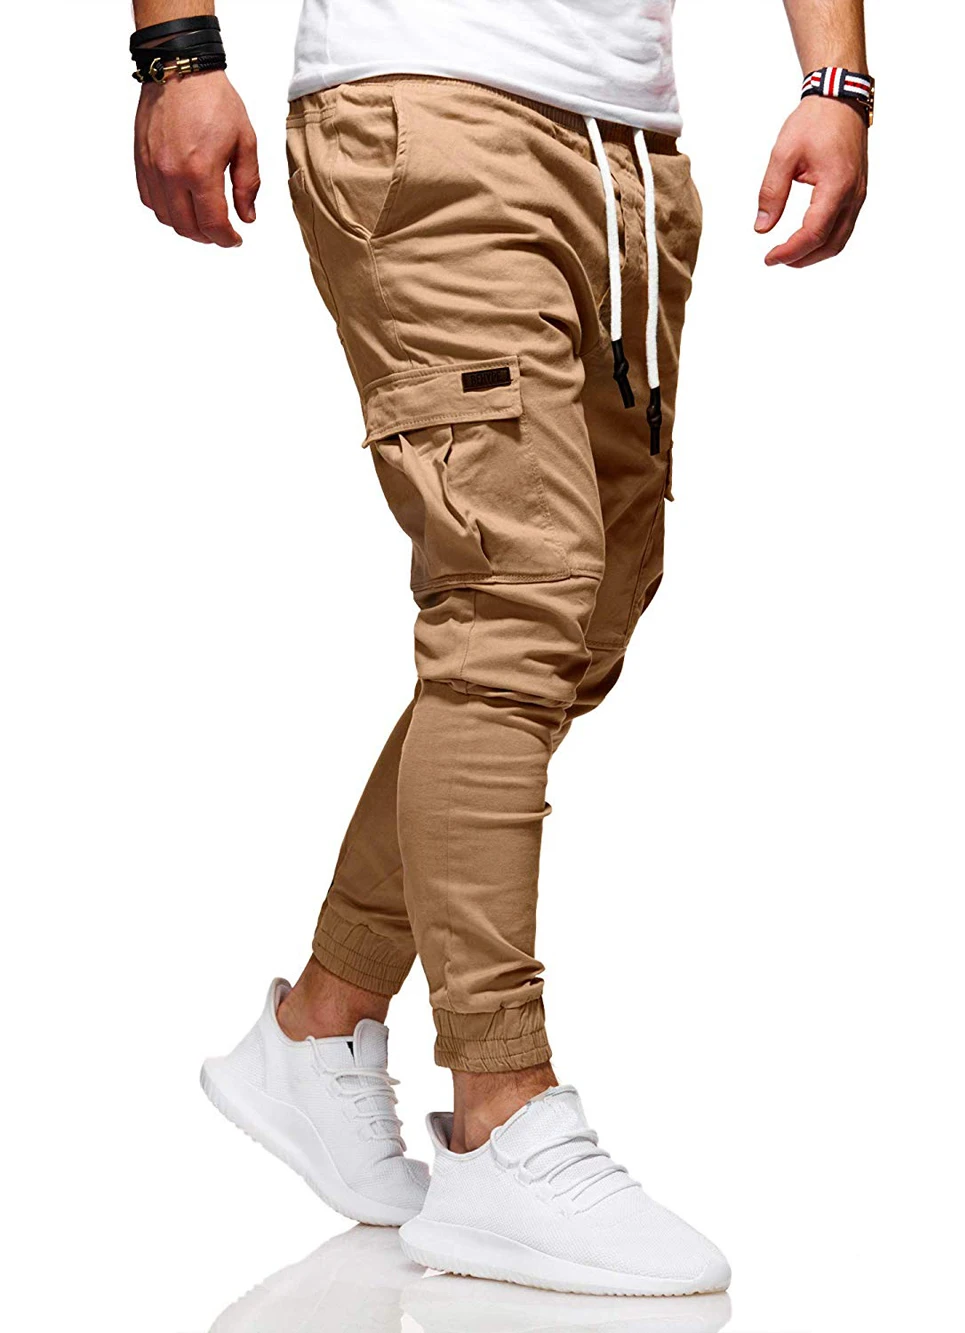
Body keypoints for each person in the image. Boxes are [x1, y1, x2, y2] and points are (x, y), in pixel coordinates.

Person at [131, 0, 870, 1297]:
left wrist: (837, 80)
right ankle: (500, 1115)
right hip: (426, 103)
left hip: (626, 149)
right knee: (517, 593)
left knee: (591, 604)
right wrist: (176, 50)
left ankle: (323, 1022)